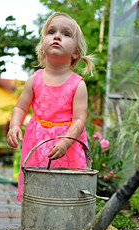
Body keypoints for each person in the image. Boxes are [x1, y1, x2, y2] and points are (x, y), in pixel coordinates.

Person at [7, 12, 95, 202]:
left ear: (76, 53)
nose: (57, 36)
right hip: (36, 142)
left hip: (66, 143)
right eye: (51, 32)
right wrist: (14, 126)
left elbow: (80, 119)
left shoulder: (77, 84)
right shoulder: (35, 80)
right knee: (37, 188)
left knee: (65, 189)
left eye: (66, 34)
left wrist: (66, 142)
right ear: (42, 46)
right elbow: (20, 108)